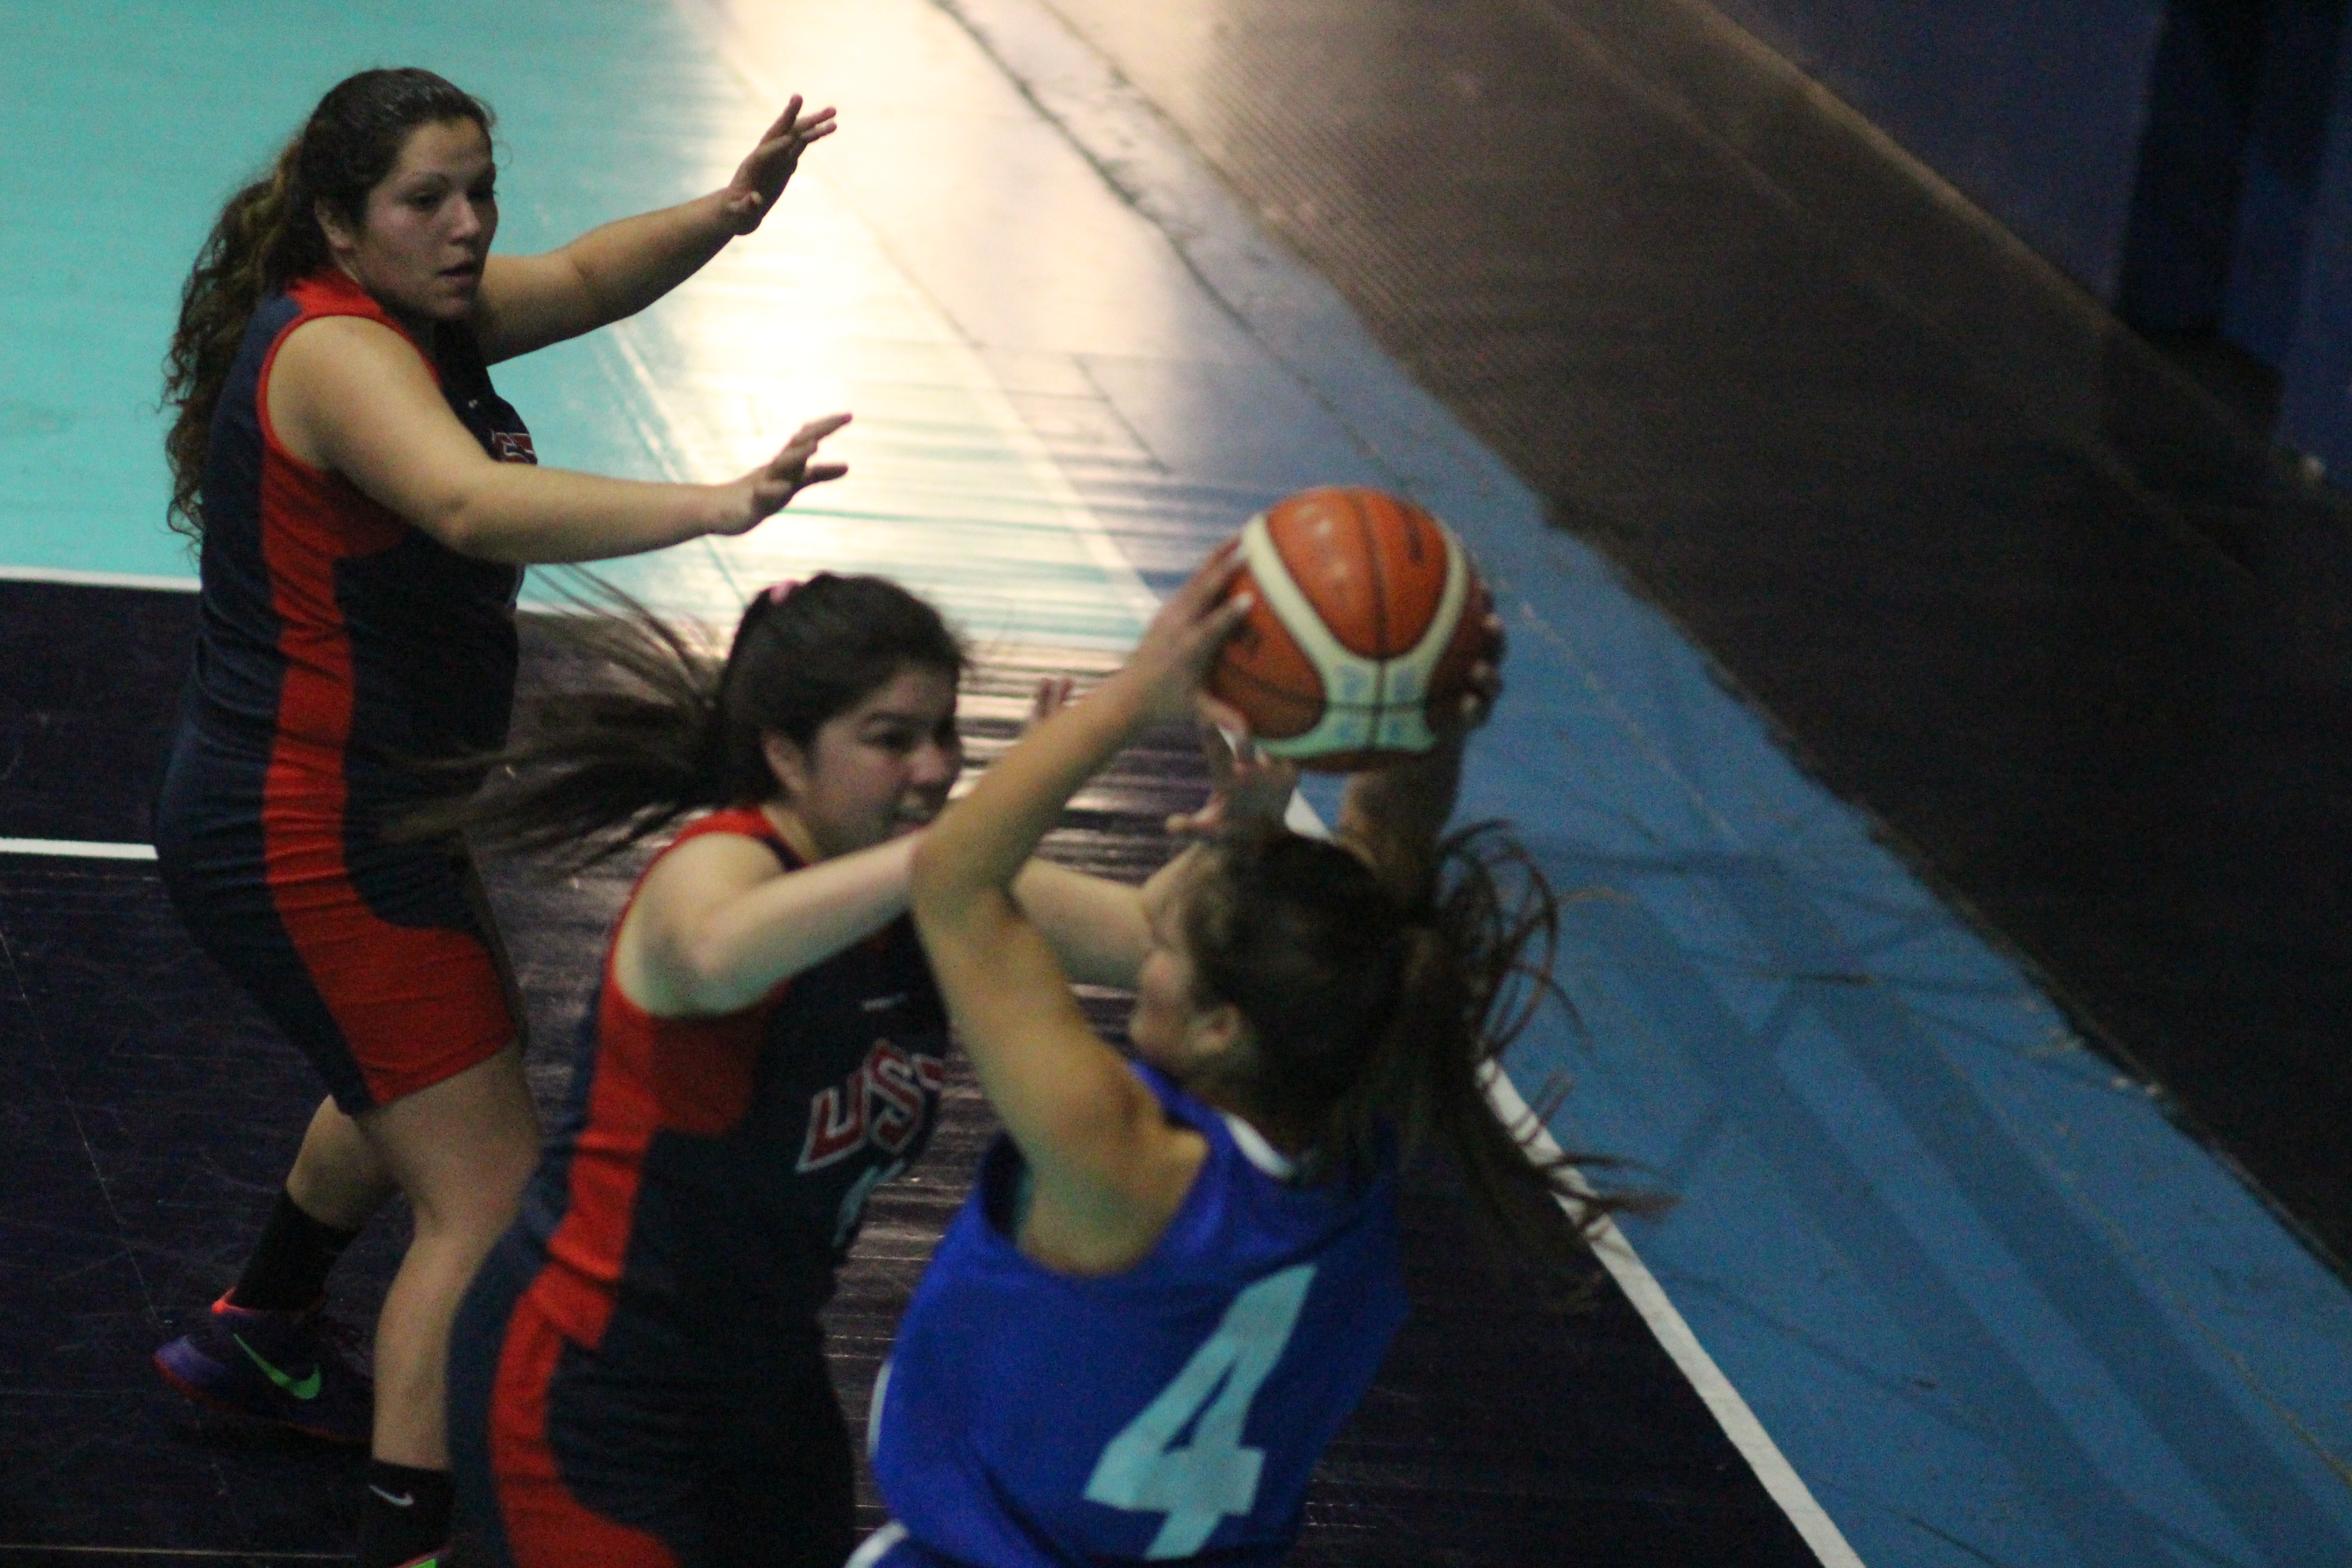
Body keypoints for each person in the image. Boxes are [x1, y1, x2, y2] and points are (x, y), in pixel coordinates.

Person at [148, 66, 847, 1568]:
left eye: (482, 193)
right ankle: (415, 1537)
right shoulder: (339, 354)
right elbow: (470, 505)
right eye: (430, 200)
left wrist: (730, 211)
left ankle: (261, 1327)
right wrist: (713, 504)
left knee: (434, 1070)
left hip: (365, 806)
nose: (468, 226)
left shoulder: (421, 309)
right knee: (485, 1200)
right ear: (341, 223)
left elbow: (588, 276)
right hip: (305, 830)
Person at [853, 549, 1603, 1567]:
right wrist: (1420, 704)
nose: (1144, 949)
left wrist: (1136, 693)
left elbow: (951, 878)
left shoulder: (1121, 1162)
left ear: (1220, 1027)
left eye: (1161, 947)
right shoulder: (1360, 1106)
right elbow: (1382, 860)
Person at [434, 574, 1190, 1568]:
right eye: (891, 738)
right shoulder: (719, 867)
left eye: (945, 731)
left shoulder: (931, 878)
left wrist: (1247, 826)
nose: (935, 766)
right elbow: (714, 953)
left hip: (765, 1382)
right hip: (590, 1384)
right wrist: (1051, 772)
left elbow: (1163, 946)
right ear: (786, 755)